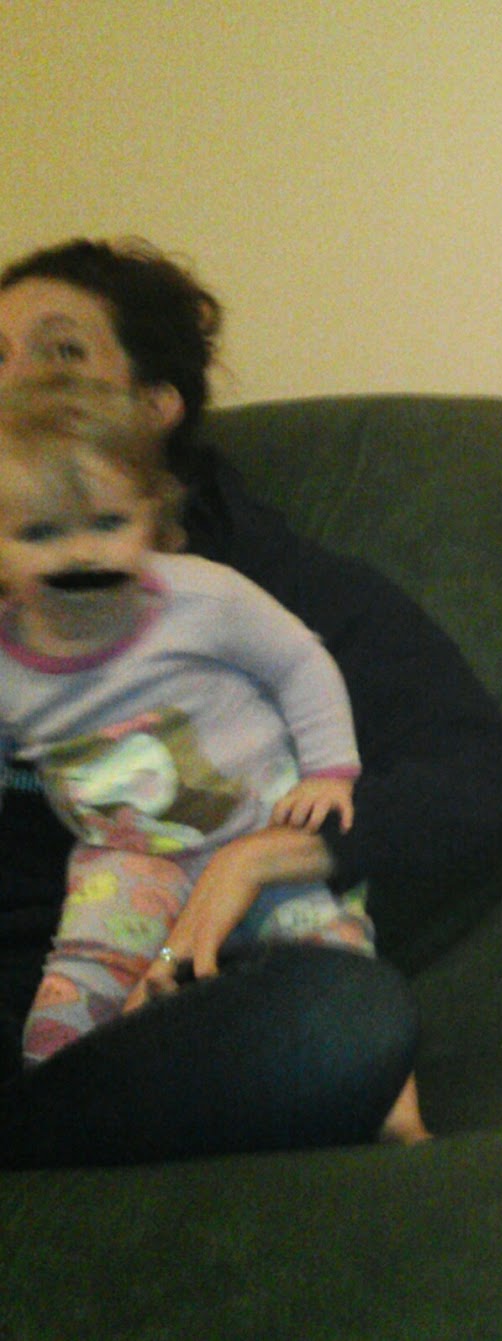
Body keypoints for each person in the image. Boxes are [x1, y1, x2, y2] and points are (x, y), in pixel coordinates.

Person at [0, 239, 502, 1165]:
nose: (15, 386)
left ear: (156, 405)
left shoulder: (260, 587)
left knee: (343, 1017)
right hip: (37, 981)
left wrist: (262, 855)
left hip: (194, 1000)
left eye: (61, 355)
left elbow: (484, 779)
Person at [0, 377, 371, 1063]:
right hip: (126, 858)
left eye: (107, 524)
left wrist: (329, 770)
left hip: (262, 826)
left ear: (150, 516)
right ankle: (58, 1091)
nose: (80, 554)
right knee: (76, 985)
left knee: (339, 969)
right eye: (41, 533)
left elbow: (299, 662)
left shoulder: (202, 597)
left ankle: (396, 1111)